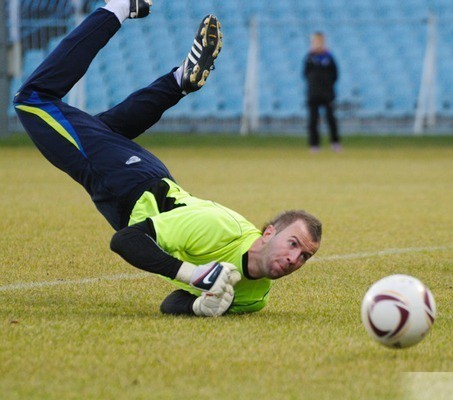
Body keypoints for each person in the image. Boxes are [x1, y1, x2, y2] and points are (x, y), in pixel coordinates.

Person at [13, 0, 322, 317]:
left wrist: (201, 305)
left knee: (102, 129)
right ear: (268, 233)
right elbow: (127, 241)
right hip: (127, 182)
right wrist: (195, 275)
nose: (295, 259)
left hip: (139, 179)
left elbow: (172, 303)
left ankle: (179, 80)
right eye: (294, 243)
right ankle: (120, 7)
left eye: (304, 257)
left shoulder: (255, 297)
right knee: (33, 99)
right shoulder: (217, 229)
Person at [303, 31, 341, 153]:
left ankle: (335, 143)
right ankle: (314, 145)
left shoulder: (329, 57)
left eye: (319, 41)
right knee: (313, 120)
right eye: (315, 41)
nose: (317, 43)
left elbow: (335, 74)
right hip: (313, 93)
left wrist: (328, 85)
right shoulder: (309, 57)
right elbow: (305, 74)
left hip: (327, 93)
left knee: (331, 118)